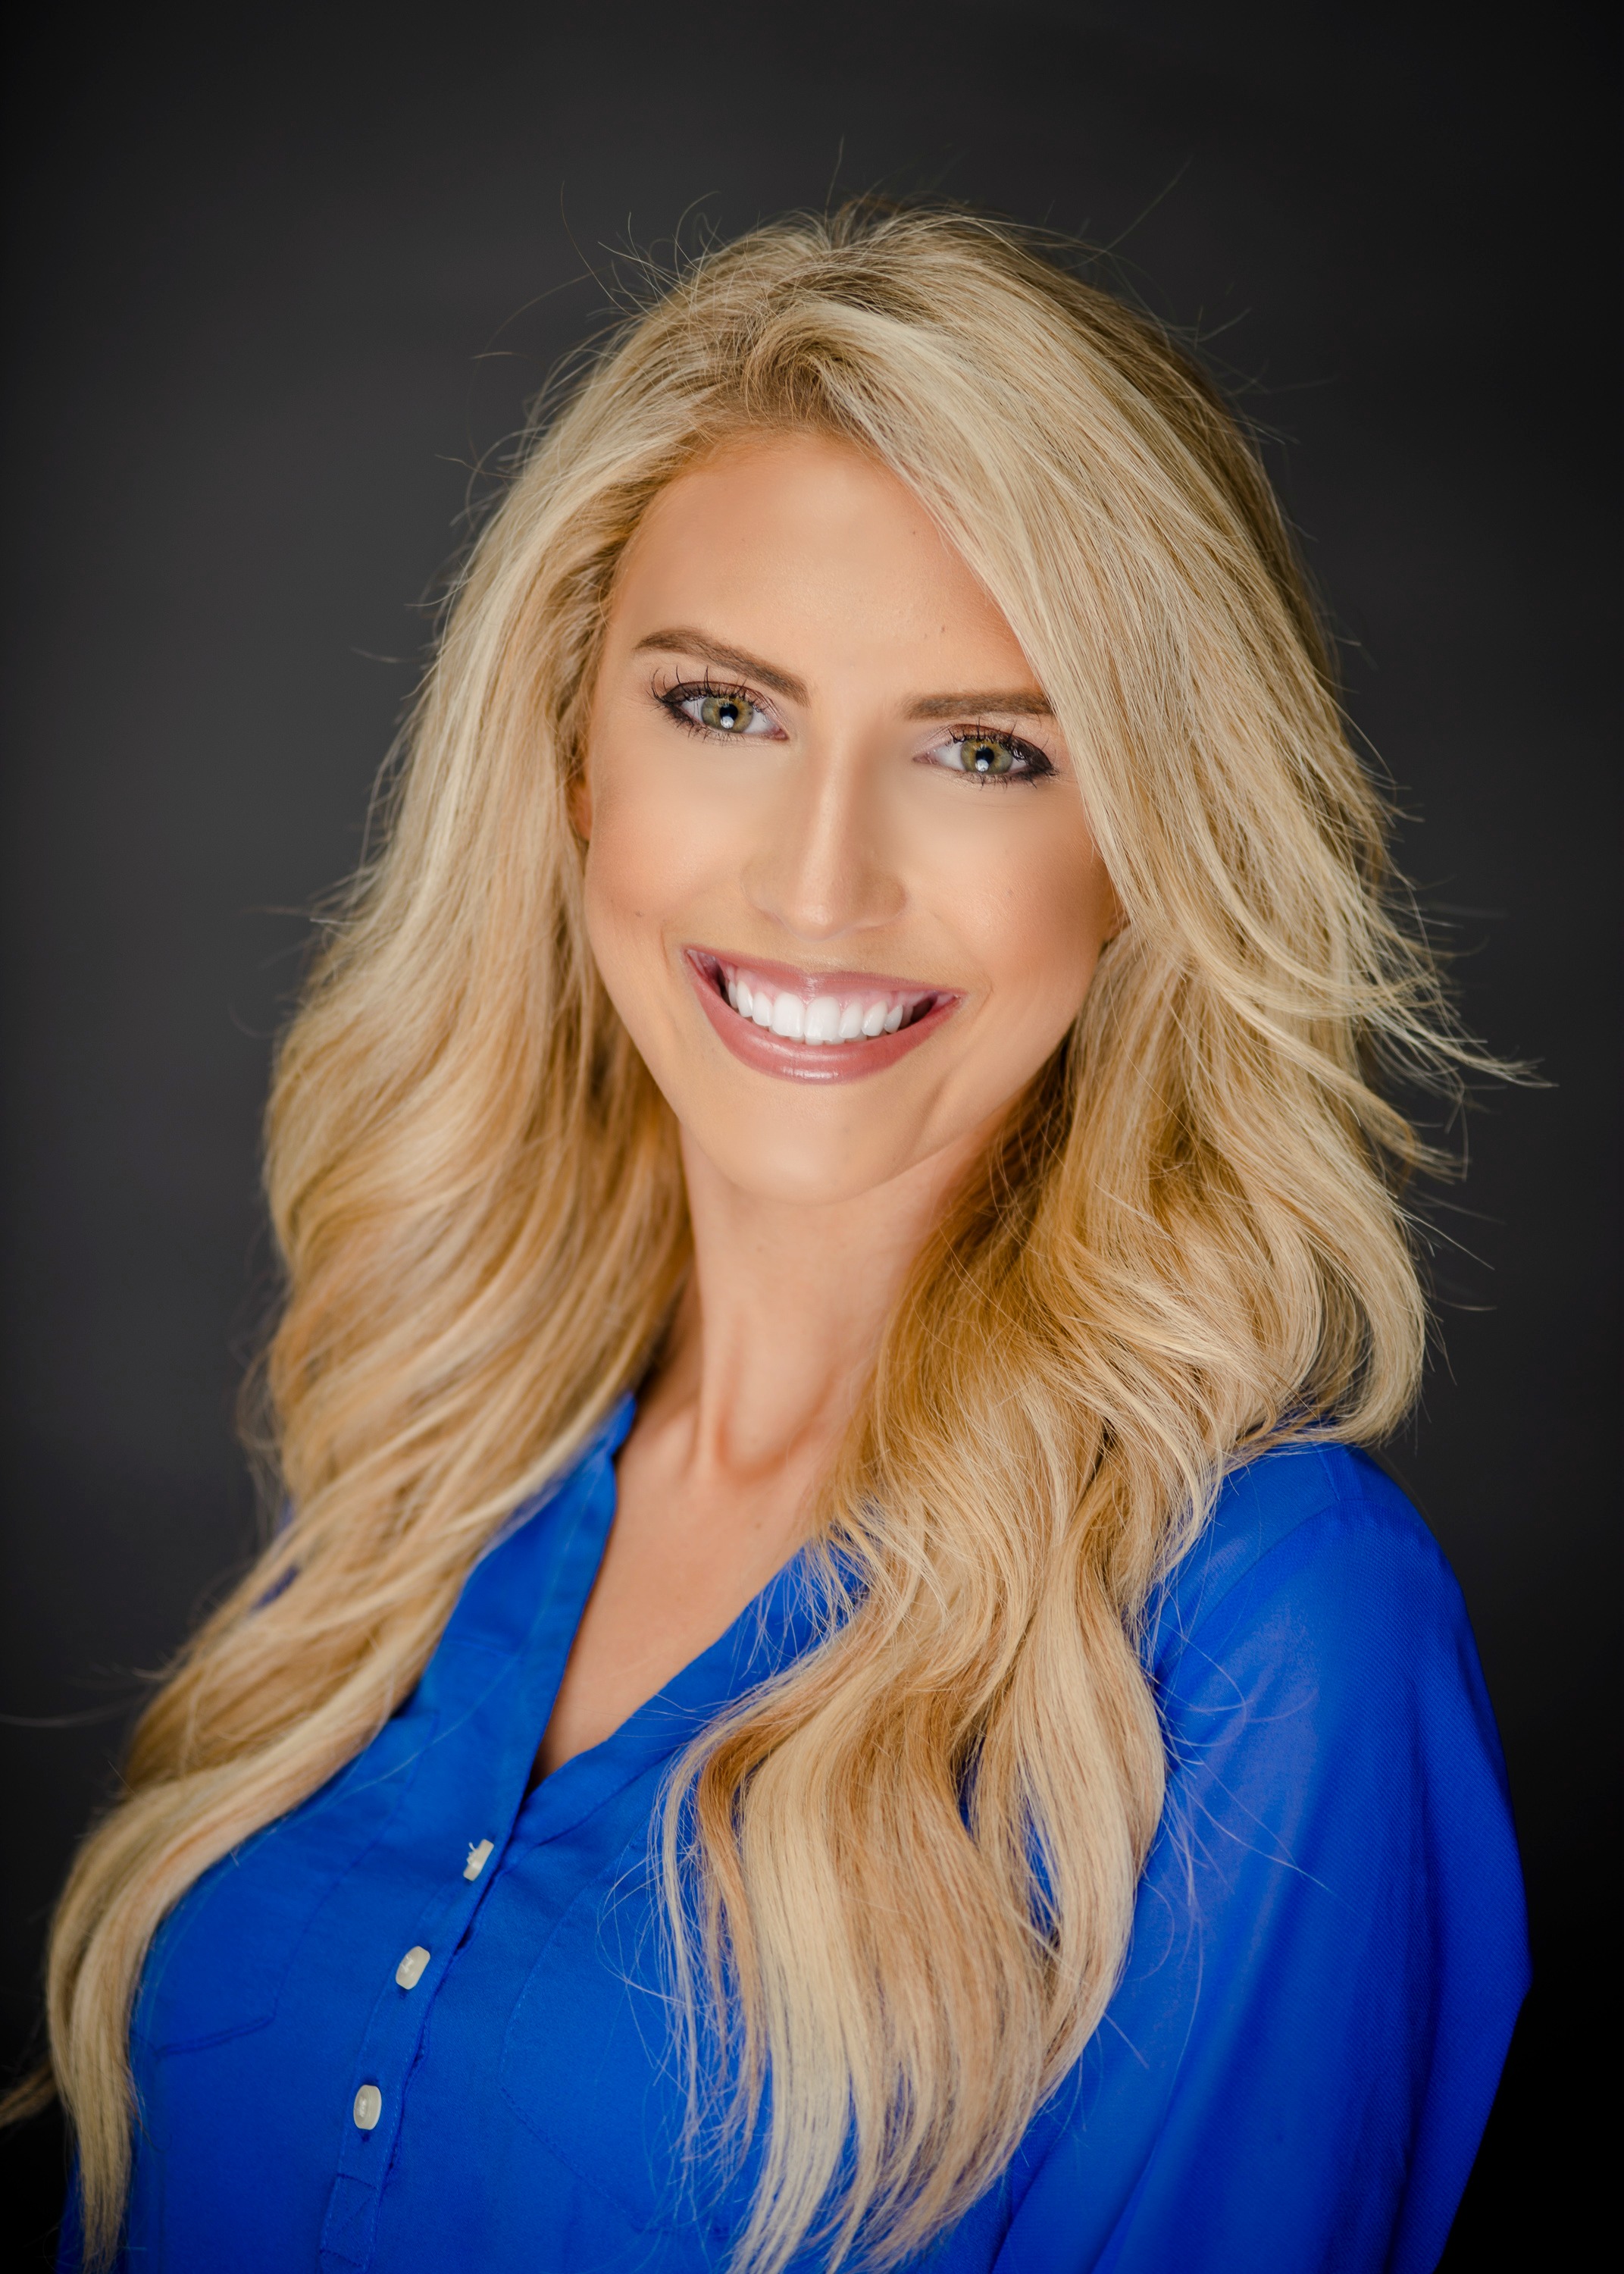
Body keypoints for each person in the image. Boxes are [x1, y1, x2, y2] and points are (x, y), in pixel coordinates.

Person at [26, 204, 1526, 2273]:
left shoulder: (1268, 1635)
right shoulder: (430, 1464)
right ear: (570, 759)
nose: (822, 883)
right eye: (724, 710)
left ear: (1146, 850)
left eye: (988, 752)